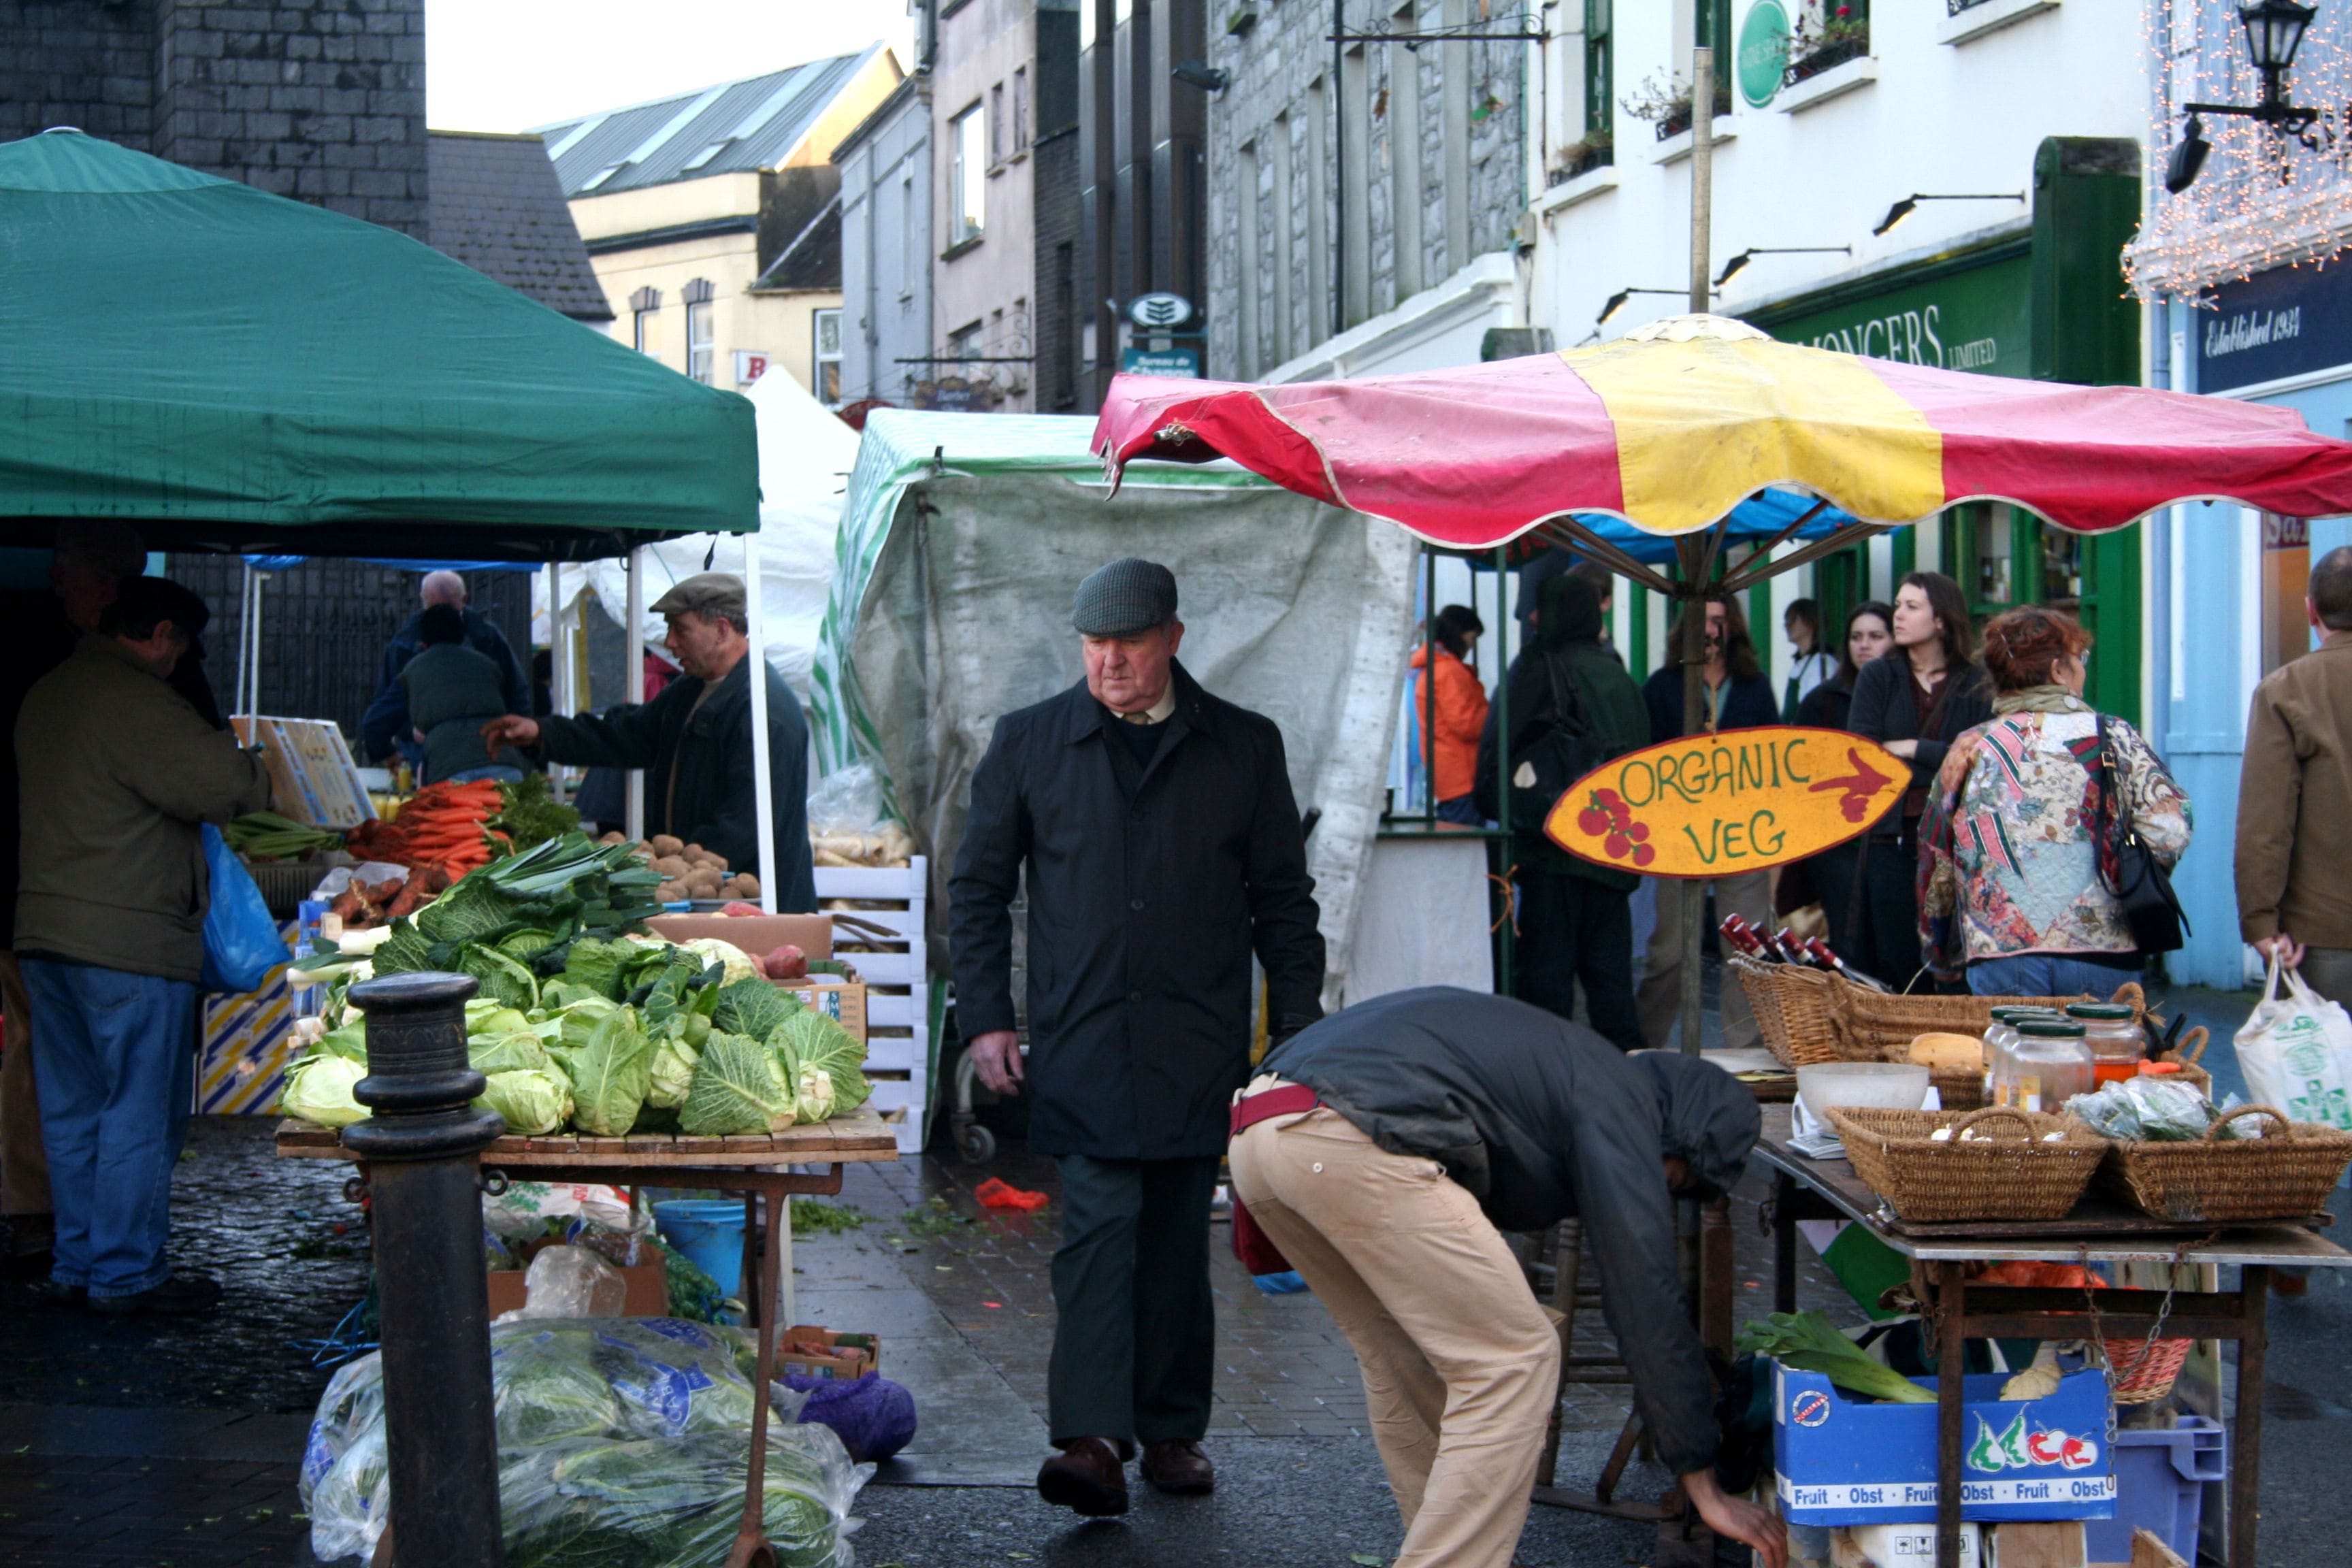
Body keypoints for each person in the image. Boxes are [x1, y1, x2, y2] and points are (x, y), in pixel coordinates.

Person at [949, 558, 1325, 1516]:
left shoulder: (1242, 747)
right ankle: (1090, 1438)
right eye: (1094, 644)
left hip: (1198, 1035)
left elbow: (1284, 901)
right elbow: (979, 892)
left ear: (1173, 639)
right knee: (1100, 1225)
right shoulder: (1032, 742)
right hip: (1081, 1031)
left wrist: (1298, 1032)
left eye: (1128, 643)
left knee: (1172, 1236)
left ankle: (1171, 1432)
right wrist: (988, 1017)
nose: (1109, 661)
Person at [1228, 987, 1784, 1568]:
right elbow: (1646, 1297)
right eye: (1674, 1182)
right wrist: (1702, 1480)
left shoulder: (1574, 1064)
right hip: (1349, 1133)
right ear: (1683, 1137)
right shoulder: (1619, 1101)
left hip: (1262, 1127)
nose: (1662, 1189)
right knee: (1513, 1360)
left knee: (1401, 1352)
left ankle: (1446, 1550)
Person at [14, 576, 270, 1314]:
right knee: (136, 1108)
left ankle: (79, 1263)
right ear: (159, 634)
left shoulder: (50, 692)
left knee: (73, 1109)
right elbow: (219, 784)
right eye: (178, 647)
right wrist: (257, 768)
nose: (176, 662)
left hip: (47, 935)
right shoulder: (132, 700)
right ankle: (125, 1275)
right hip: (125, 939)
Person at [480, 574, 817, 911]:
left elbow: (744, 825)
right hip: (700, 899)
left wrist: (674, 873)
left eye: (680, 629)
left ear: (722, 630)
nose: (669, 642)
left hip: (755, 904)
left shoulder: (764, 710)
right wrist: (541, 733)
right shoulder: (690, 691)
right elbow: (627, 735)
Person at [1919, 607, 2191, 994]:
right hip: (2103, 952)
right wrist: (2123, 869)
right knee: (2102, 1055)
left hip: (2001, 956)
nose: (2083, 670)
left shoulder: (1970, 748)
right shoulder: (2113, 736)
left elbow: (1935, 860)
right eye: (2080, 659)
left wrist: (1939, 954)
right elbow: (2170, 831)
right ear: (2058, 672)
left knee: (2018, 1054)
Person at [1472, 573, 1648, 1046]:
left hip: (1555, 850)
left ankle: (1547, 1083)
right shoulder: (1621, 676)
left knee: (1546, 982)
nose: (1531, 618)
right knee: (1610, 985)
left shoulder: (1539, 666)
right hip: (1615, 854)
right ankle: (1632, 1084)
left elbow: (1497, 755)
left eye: (1539, 608)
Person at [1635, 592, 1779, 1051]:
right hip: (1680, 833)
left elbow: (1773, 755)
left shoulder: (1754, 686)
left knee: (1746, 950)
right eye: (1704, 621)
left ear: (1733, 627)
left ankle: (1748, 1055)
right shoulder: (1663, 685)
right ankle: (1648, 1045)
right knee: (1669, 954)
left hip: (1745, 831)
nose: (1713, 630)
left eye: (1720, 621)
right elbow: (1642, 760)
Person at [1845, 572, 1993, 992]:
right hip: (1891, 837)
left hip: (1955, 838)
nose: (1899, 615)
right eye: (1898, 605)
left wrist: (1912, 747)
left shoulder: (1975, 681)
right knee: (1897, 955)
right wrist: (1942, 753)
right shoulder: (1880, 676)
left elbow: (1979, 757)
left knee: (1955, 951)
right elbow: (1864, 754)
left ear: (1942, 619)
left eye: (1912, 607)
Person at [2237, 545, 2352, 1002]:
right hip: (2322, 929)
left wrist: (2260, 920)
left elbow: (2267, 820)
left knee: (2325, 1074)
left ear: (2311, 612)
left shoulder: (2286, 691)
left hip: (2320, 931)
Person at [1791, 601, 1895, 956]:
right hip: (1837, 839)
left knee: (1891, 940)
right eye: (1856, 637)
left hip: (1892, 836)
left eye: (1875, 636)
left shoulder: (1903, 698)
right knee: (1849, 941)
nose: (1864, 645)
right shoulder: (1824, 700)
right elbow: (1800, 769)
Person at [361, 570, 530, 772]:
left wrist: (391, 751)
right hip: (493, 754)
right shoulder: (486, 658)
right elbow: (517, 695)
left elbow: (379, 718)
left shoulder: (414, 663)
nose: (441, 614)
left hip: (441, 758)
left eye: (447, 606)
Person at [400, 604, 530, 785]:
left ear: (423, 640)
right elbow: (513, 700)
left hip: (448, 765)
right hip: (502, 758)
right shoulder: (487, 664)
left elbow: (419, 725)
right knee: (512, 813)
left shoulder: (412, 670)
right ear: (462, 634)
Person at [1409, 604, 1489, 826]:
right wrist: (1496, 714)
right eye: (1472, 638)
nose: (1472, 646)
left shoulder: (1436, 668)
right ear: (1458, 634)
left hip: (1449, 774)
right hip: (1463, 774)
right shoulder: (1449, 672)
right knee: (1466, 849)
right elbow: (1467, 724)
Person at [1780, 598, 1837, 721]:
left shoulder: (1822, 665)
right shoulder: (1802, 664)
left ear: (1810, 622)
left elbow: (1813, 712)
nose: (1786, 625)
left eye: (1793, 619)